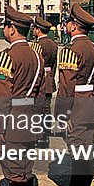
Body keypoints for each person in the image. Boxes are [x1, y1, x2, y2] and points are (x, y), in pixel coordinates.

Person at [0, 6, 43, 186]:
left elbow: (3, 97)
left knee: (14, 171)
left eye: (6, 26)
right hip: (31, 116)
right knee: (25, 167)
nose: (4, 29)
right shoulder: (37, 55)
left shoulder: (7, 56)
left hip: (12, 118)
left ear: (12, 29)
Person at [51, 3, 94, 186]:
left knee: (78, 151)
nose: (65, 27)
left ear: (74, 26)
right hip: (90, 103)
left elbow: (66, 85)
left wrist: (61, 112)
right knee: (87, 149)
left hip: (77, 104)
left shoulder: (71, 50)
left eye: (67, 23)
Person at [30, 15, 58, 149]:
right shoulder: (53, 44)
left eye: (34, 28)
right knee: (46, 109)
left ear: (38, 29)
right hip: (49, 78)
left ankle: (39, 137)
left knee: (37, 109)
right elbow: (54, 65)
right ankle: (46, 135)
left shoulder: (38, 45)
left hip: (40, 79)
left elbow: (34, 64)